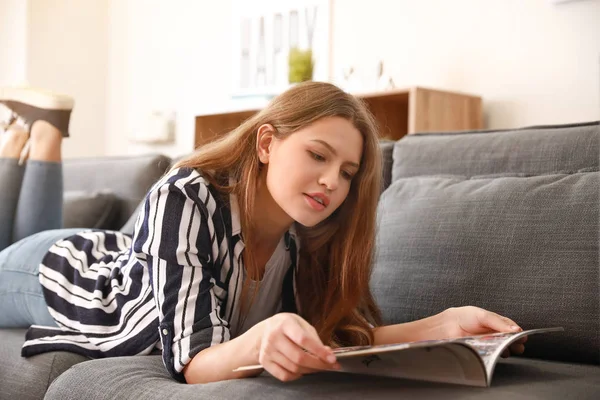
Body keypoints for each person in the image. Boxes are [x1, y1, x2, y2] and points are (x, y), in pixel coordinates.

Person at [0, 82, 527, 384]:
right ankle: (39, 138)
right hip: (60, 273)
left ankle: (37, 135)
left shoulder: (306, 238)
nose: (331, 181)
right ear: (267, 142)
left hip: (123, 254)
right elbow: (192, 363)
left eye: (347, 172)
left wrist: (442, 325)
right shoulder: (187, 193)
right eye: (318, 155)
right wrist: (257, 341)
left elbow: (335, 342)